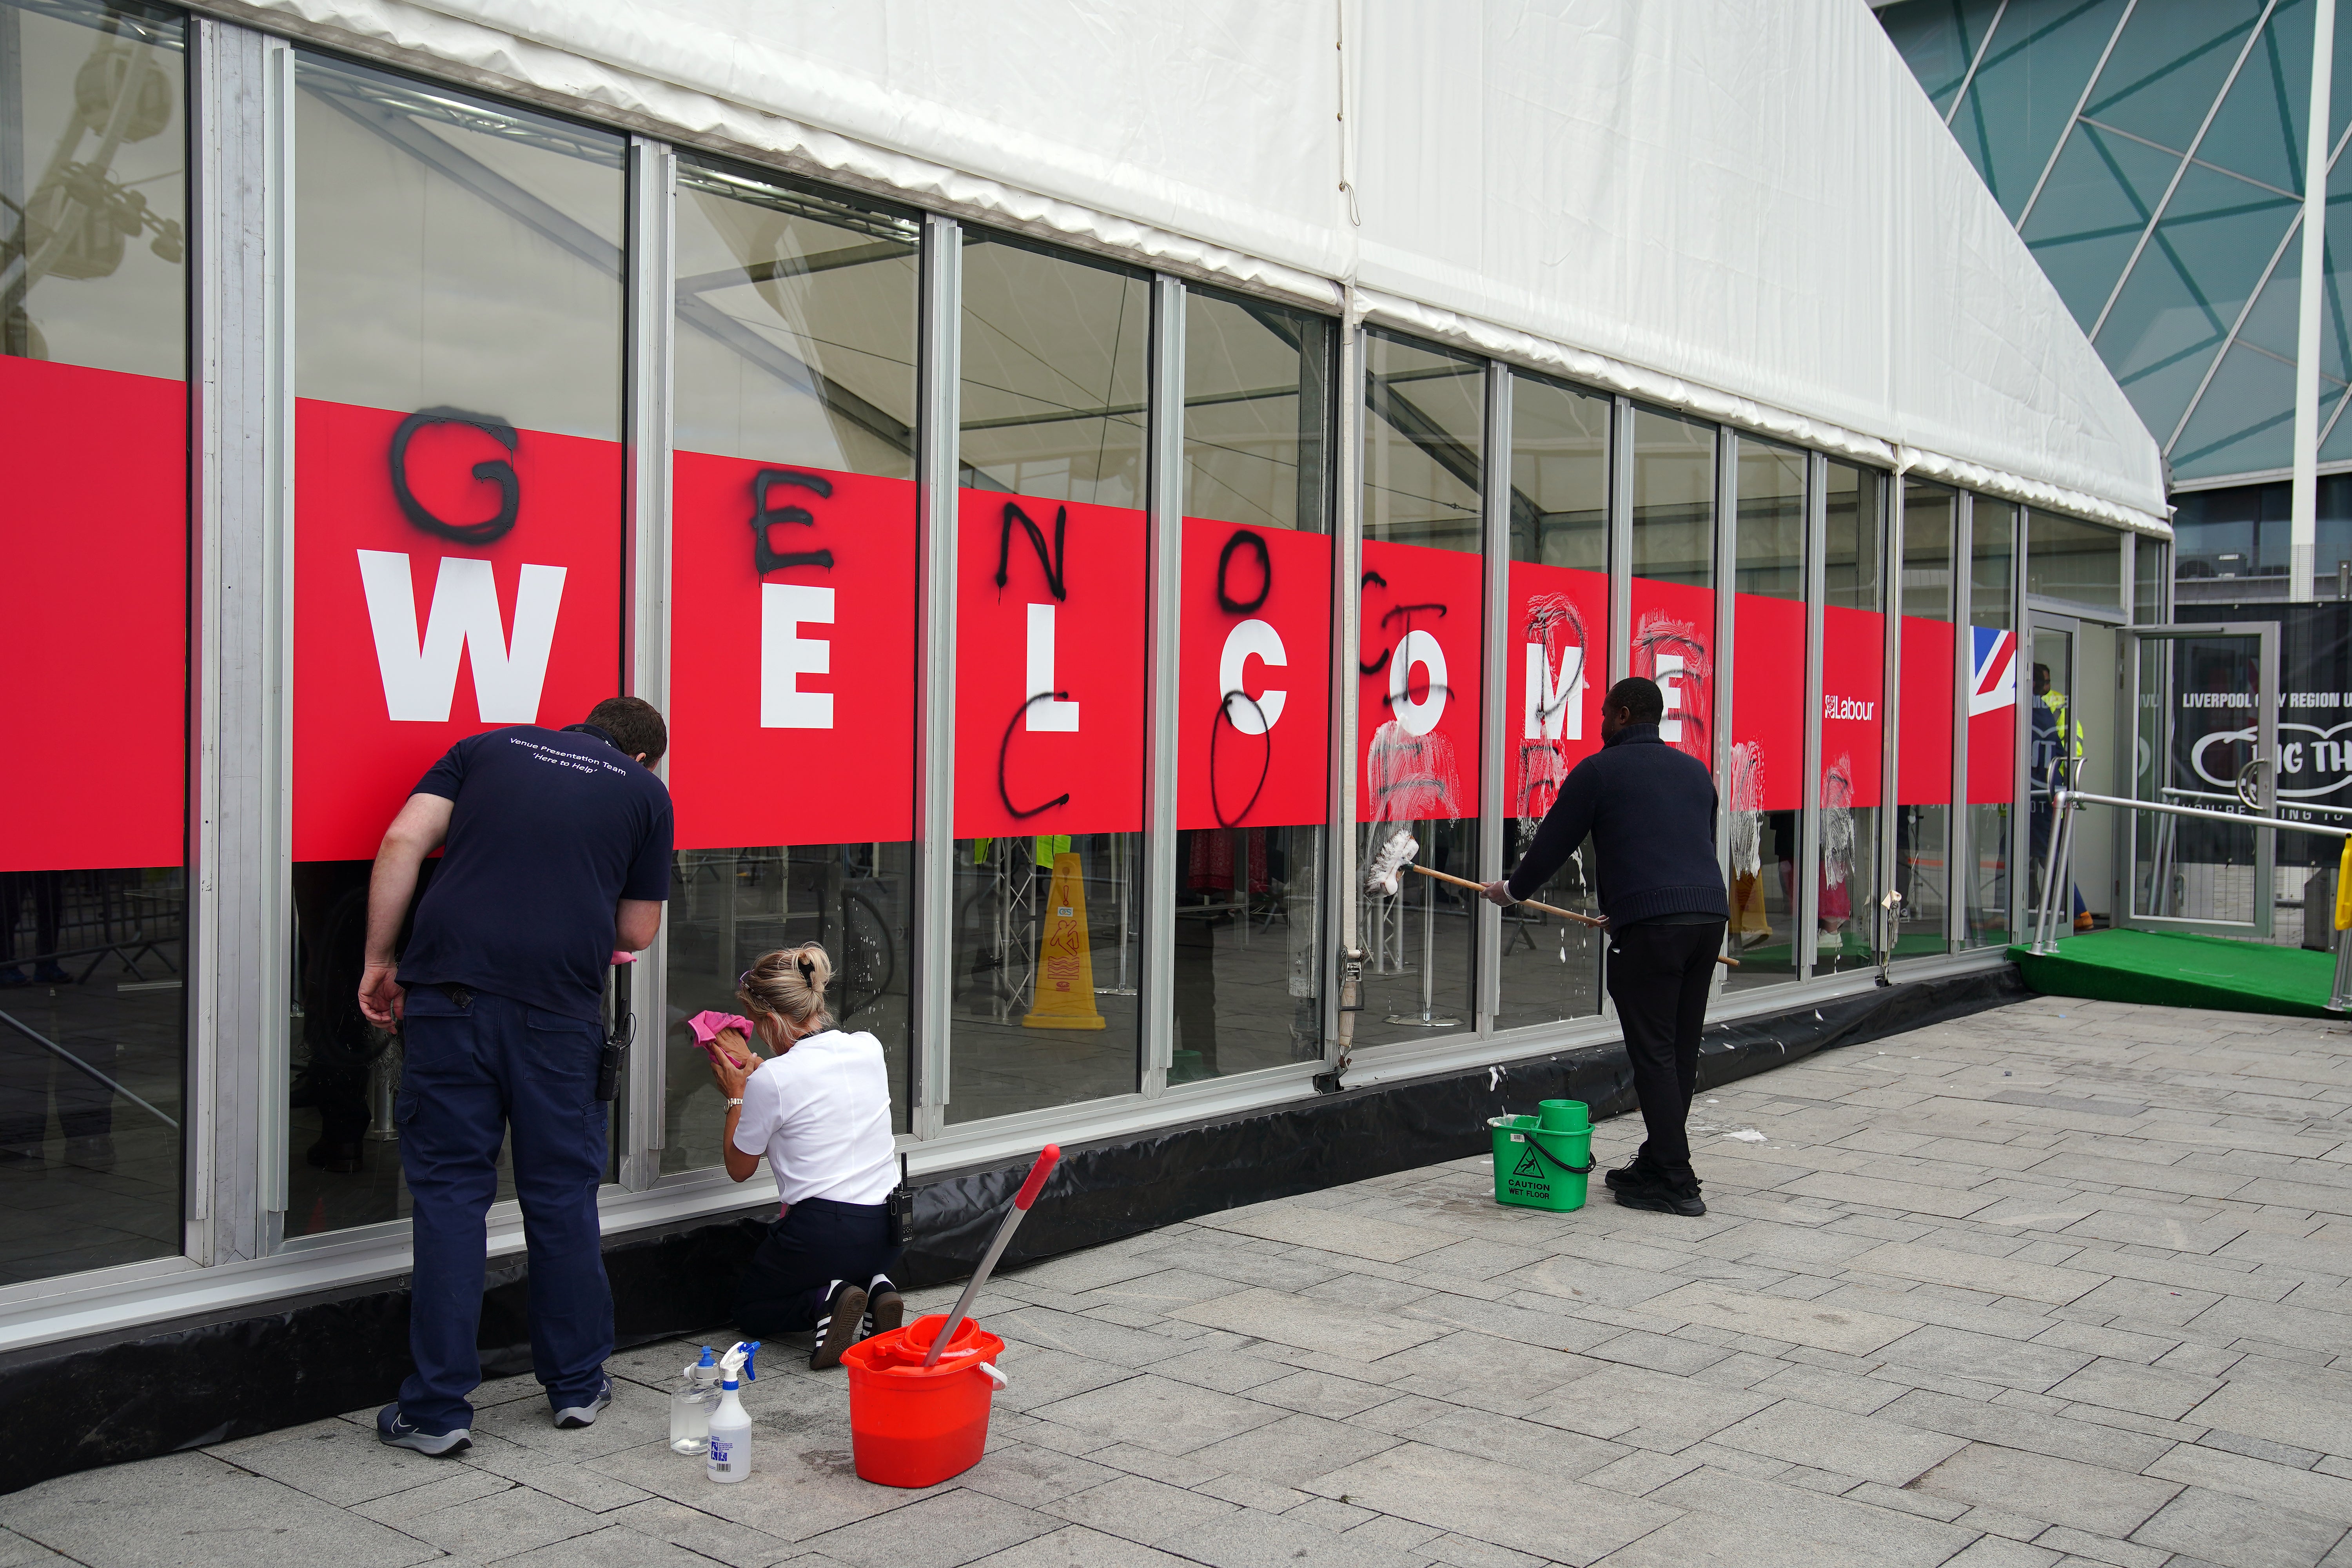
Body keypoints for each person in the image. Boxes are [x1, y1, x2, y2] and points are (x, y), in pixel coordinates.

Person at [358, 697, 674, 1456]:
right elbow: (636, 930)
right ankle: (574, 1384)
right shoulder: (643, 793)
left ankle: (436, 1409)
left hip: (448, 997)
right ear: (643, 757)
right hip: (556, 1016)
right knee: (562, 1196)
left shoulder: (485, 748)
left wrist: (379, 957)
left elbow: (404, 838)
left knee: (450, 1197)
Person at [1483, 675, 1728, 1217]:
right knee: (1680, 1050)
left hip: (1653, 931)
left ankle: (1675, 1178)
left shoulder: (1599, 771)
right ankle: (1658, 1158)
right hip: (1707, 918)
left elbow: (1552, 844)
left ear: (1620, 715)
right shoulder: (1693, 771)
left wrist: (1512, 892)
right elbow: (1685, 844)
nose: (1598, 723)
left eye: (1602, 713)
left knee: (1654, 1053)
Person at [703, 944, 904, 1369]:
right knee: (852, 1261)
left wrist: (736, 1097)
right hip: (888, 1230)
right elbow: (812, 1083)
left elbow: (740, 1168)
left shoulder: (771, 1080)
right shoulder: (867, 1047)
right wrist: (760, 1069)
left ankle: (825, 1301)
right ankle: (877, 1287)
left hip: (822, 1233)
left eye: (759, 1023)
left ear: (773, 1020)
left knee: (752, 1309)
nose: (757, 1034)